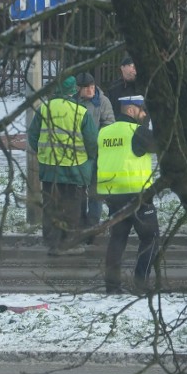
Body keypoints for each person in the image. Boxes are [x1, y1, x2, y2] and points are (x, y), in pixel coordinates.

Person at [27, 75, 98, 256]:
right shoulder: (80, 111)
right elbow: (91, 141)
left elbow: (33, 136)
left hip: (50, 168)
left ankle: (53, 243)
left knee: (51, 205)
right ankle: (69, 243)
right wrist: (90, 159)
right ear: (72, 90)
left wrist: (44, 152)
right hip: (75, 168)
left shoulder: (44, 109)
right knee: (72, 206)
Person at [97, 95, 159, 295]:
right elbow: (160, 146)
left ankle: (112, 287)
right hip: (139, 195)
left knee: (117, 240)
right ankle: (140, 284)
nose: (145, 116)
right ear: (131, 110)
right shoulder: (138, 132)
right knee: (151, 239)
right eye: (142, 111)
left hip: (113, 195)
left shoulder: (104, 132)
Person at [74, 72, 115, 233]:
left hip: (97, 152)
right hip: (78, 152)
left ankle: (92, 225)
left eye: (92, 87)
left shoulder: (102, 101)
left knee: (95, 189)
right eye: (87, 88)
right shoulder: (74, 101)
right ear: (79, 89)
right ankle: (80, 222)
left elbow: (110, 123)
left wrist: (95, 137)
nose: (91, 90)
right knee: (79, 189)